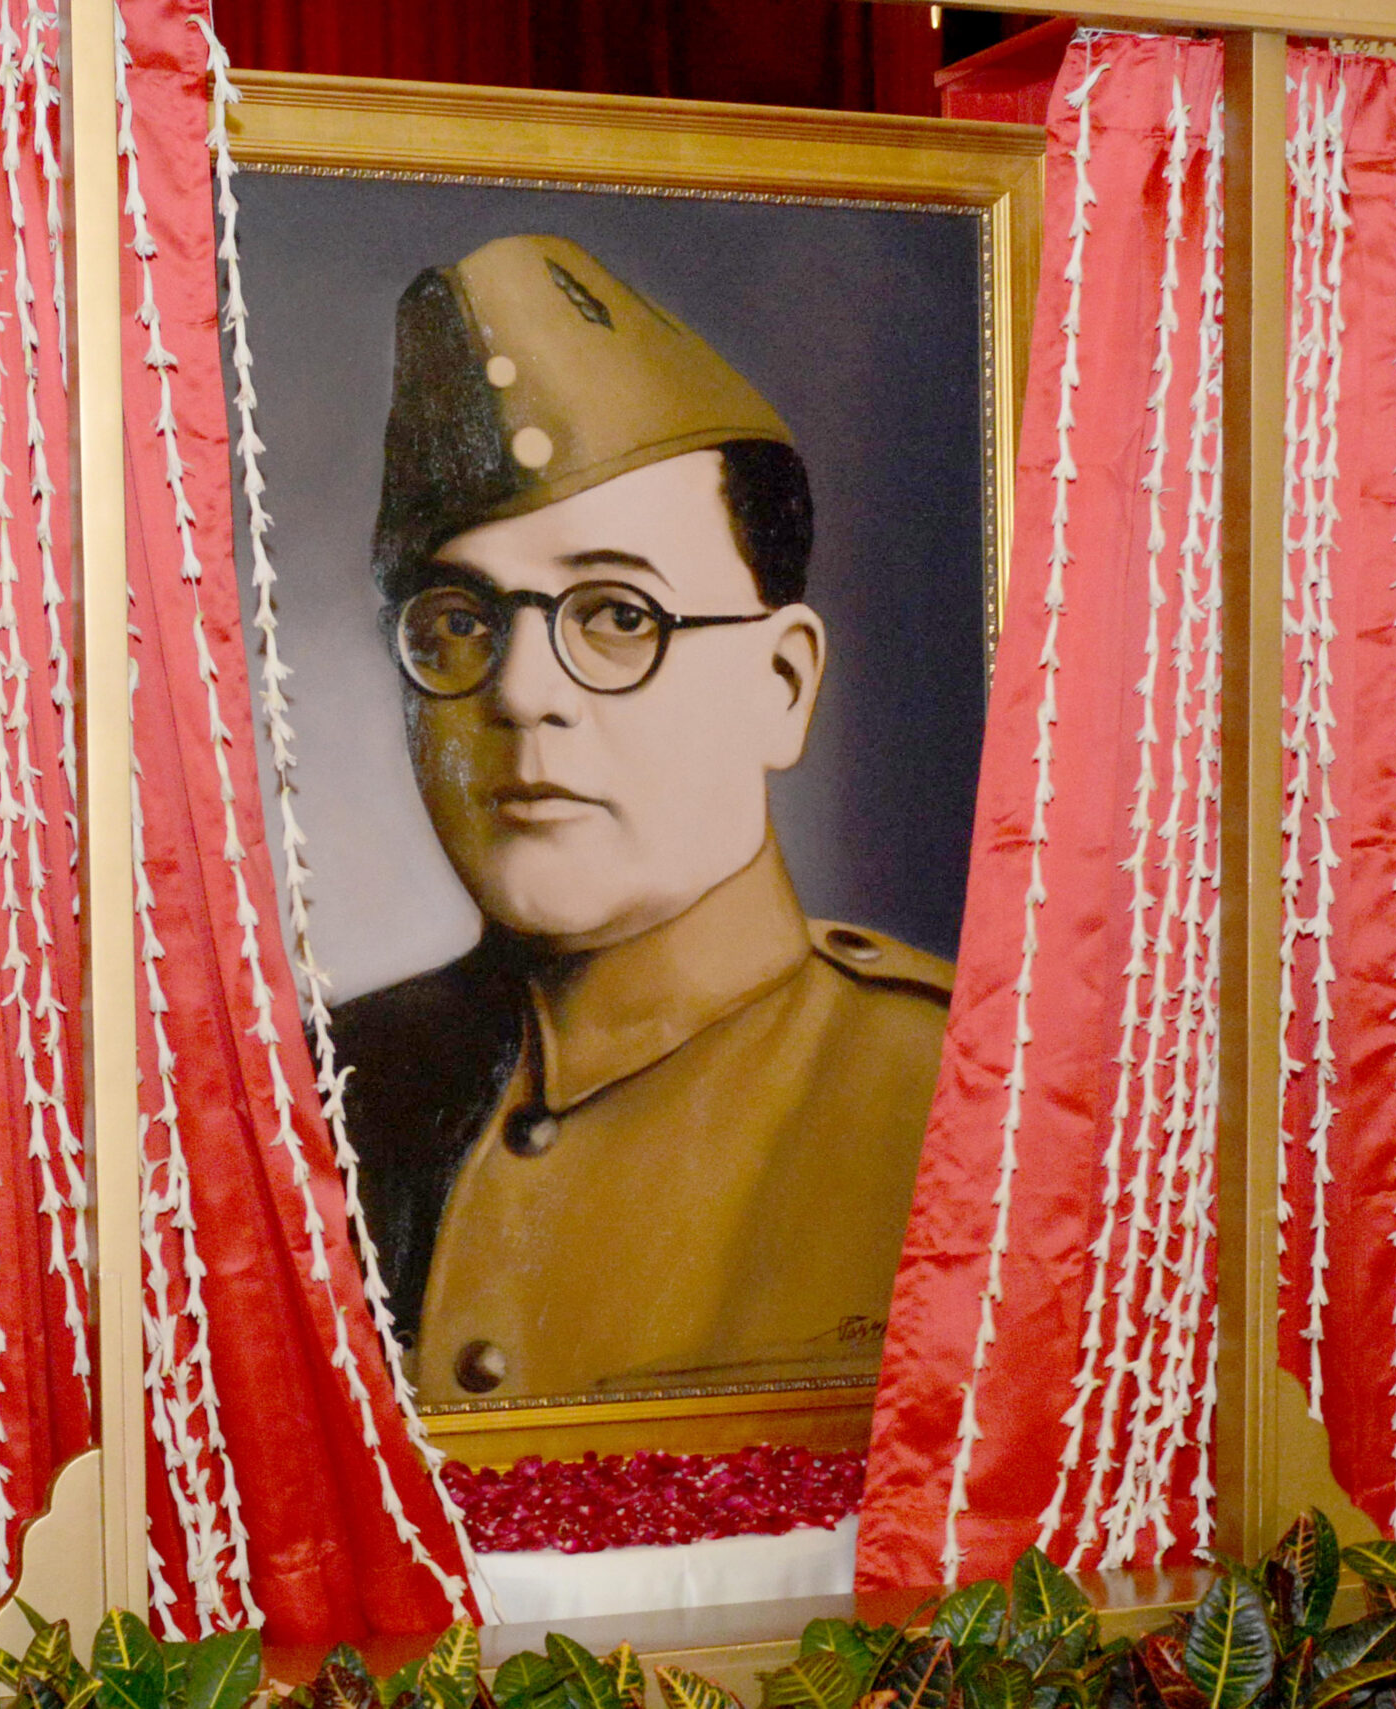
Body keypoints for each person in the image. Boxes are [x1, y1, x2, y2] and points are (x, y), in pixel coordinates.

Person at [333, 234, 953, 1406]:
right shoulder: (315, 1101)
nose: (520, 690)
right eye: (459, 622)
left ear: (782, 685)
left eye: (618, 613)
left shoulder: (959, 1099)